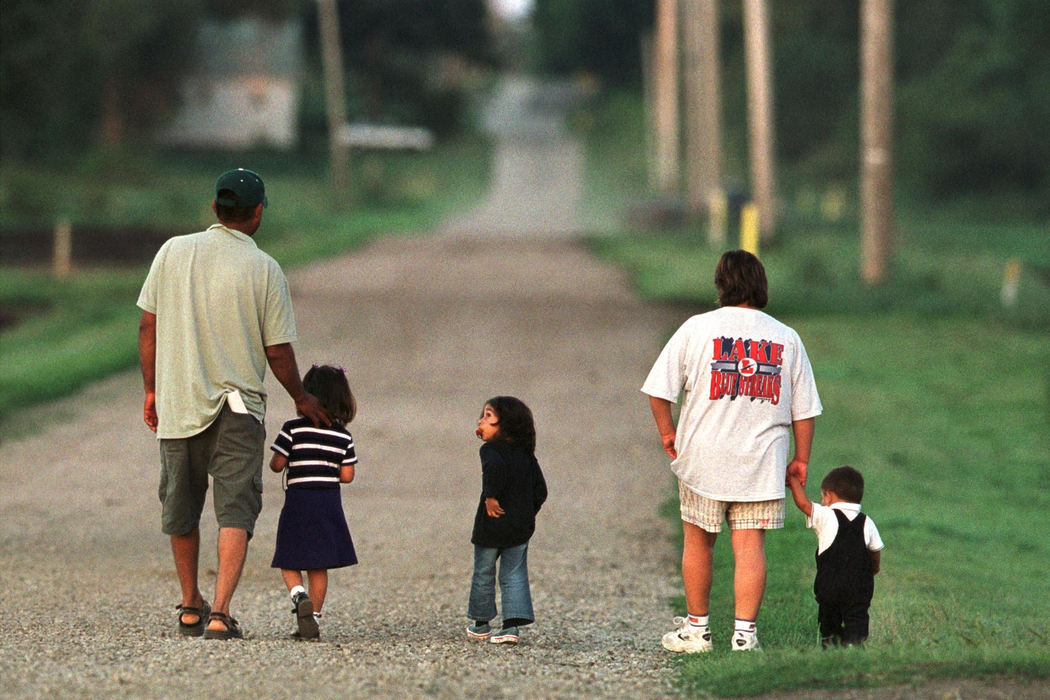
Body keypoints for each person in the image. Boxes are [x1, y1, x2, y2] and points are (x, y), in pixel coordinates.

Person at [138, 168, 331, 640]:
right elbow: (278, 350)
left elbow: (148, 326)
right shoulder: (264, 268)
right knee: (234, 511)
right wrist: (301, 397)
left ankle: (189, 606)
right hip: (238, 409)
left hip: (179, 402)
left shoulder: (173, 252)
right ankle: (220, 612)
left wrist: (151, 389)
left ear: (214, 209)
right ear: (258, 211)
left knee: (181, 507)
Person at [641, 249, 822, 653]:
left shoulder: (697, 328)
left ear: (721, 285)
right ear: (762, 286)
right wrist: (801, 458)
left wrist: (669, 434)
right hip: (761, 462)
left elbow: (659, 391)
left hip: (703, 457)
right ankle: (745, 636)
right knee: (749, 547)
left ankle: (697, 631)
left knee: (699, 541)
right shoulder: (786, 337)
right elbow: (805, 410)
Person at [269, 364, 359, 641]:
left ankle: (299, 596)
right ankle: (314, 618)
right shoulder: (343, 436)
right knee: (318, 565)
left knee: (288, 557)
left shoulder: (292, 429)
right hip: (328, 504)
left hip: (299, 501)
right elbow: (347, 476)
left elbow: (277, 464)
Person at [466, 396, 548, 646]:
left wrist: (491, 497)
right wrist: (527, 512)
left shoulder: (489, 450)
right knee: (514, 574)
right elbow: (540, 491)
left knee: (484, 571)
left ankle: (481, 623)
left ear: (508, 425)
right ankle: (511, 626)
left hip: (491, 525)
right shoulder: (527, 456)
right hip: (519, 527)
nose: (481, 420)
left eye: (488, 416)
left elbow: (494, 470)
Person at [787, 466, 883, 648]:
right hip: (859, 588)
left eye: (823, 497)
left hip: (829, 586)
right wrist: (874, 568)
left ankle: (831, 647)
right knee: (857, 618)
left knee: (829, 622)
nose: (822, 502)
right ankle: (854, 644)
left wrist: (793, 481)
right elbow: (875, 550)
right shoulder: (867, 521)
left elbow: (804, 504)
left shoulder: (826, 515)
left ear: (829, 495)